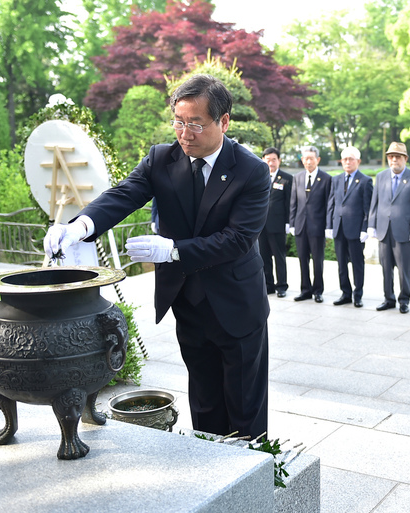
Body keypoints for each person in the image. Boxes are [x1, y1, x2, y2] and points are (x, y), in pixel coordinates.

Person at [44, 74, 271, 440]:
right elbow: (123, 195)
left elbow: (238, 239)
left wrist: (173, 250)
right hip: (189, 301)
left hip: (236, 303)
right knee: (204, 396)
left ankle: (253, 471)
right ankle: (210, 464)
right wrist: (79, 227)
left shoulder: (251, 170)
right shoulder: (161, 159)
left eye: (196, 123)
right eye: (179, 122)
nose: (185, 134)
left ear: (224, 121)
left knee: (245, 402)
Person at [368, 142, 410, 314]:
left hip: (404, 231)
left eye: (398, 157)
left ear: (405, 159)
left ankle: (404, 300)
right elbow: (375, 203)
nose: (394, 160)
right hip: (384, 230)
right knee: (386, 267)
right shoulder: (381, 176)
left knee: (404, 269)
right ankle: (388, 298)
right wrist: (371, 224)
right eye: (391, 156)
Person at [326, 146, 373, 308]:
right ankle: (345, 293)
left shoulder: (366, 181)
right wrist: (329, 225)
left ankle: (357, 294)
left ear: (358, 161)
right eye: (344, 159)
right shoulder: (336, 179)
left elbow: (368, 208)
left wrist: (364, 228)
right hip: (339, 228)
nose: (347, 162)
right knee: (341, 263)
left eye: (350, 159)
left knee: (357, 264)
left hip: (355, 230)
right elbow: (331, 203)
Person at [289, 145, 331, 303]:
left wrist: (328, 226)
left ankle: (318, 290)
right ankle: (305, 289)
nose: (308, 161)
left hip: (317, 227)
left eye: (311, 158)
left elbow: (328, 204)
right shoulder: (297, 177)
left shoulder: (326, 179)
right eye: (305, 158)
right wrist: (292, 222)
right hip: (300, 225)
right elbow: (293, 202)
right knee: (302, 259)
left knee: (318, 260)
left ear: (318, 160)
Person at [258, 147, 292, 298]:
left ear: (279, 160)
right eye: (267, 160)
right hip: (261, 225)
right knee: (264, 256)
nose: (270, 163)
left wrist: (288, 222)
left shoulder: (286, 178)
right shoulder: (259, 176)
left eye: (273, 159)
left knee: (279, 256)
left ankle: (282, 286)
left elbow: (290, 202)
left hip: (278, 224)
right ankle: (268, 285)